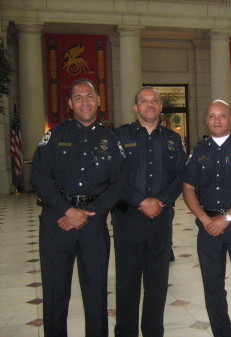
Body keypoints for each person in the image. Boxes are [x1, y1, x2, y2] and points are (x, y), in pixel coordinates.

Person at [31, 79, 125, 337]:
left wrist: (89, 212)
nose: (85, 102)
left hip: (93, 224)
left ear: (98, 101)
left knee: (96, 291)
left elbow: (119, 183)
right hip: (56, 221)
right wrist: (66, 210)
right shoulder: (54, 135)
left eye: (90, 96)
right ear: (70, 103)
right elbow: (39, 177)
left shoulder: (110, 139)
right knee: (55, 291)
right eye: (79, 97)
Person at [183, 100, 231, 337]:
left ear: (230, 118)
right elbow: (188, 188)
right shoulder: (199, 150)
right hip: (208, 227)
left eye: (222, 115)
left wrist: (226, 218)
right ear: (206, 120)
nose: (217, 120)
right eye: (212, 116)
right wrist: (205, 219)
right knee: (213, 285)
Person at [111, 86, 186, 337]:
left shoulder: (173, 139)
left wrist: (161, 201)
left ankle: (154, 331)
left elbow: (180, 176)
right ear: (136, 107)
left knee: (157, 282)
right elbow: (114, 176)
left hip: (161, 219)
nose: (150, 104)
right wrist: (141, 201)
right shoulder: (120, 136)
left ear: (160, 107)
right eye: (144, 101)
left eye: (154, 100)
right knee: (127, 281)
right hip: (128, 218)